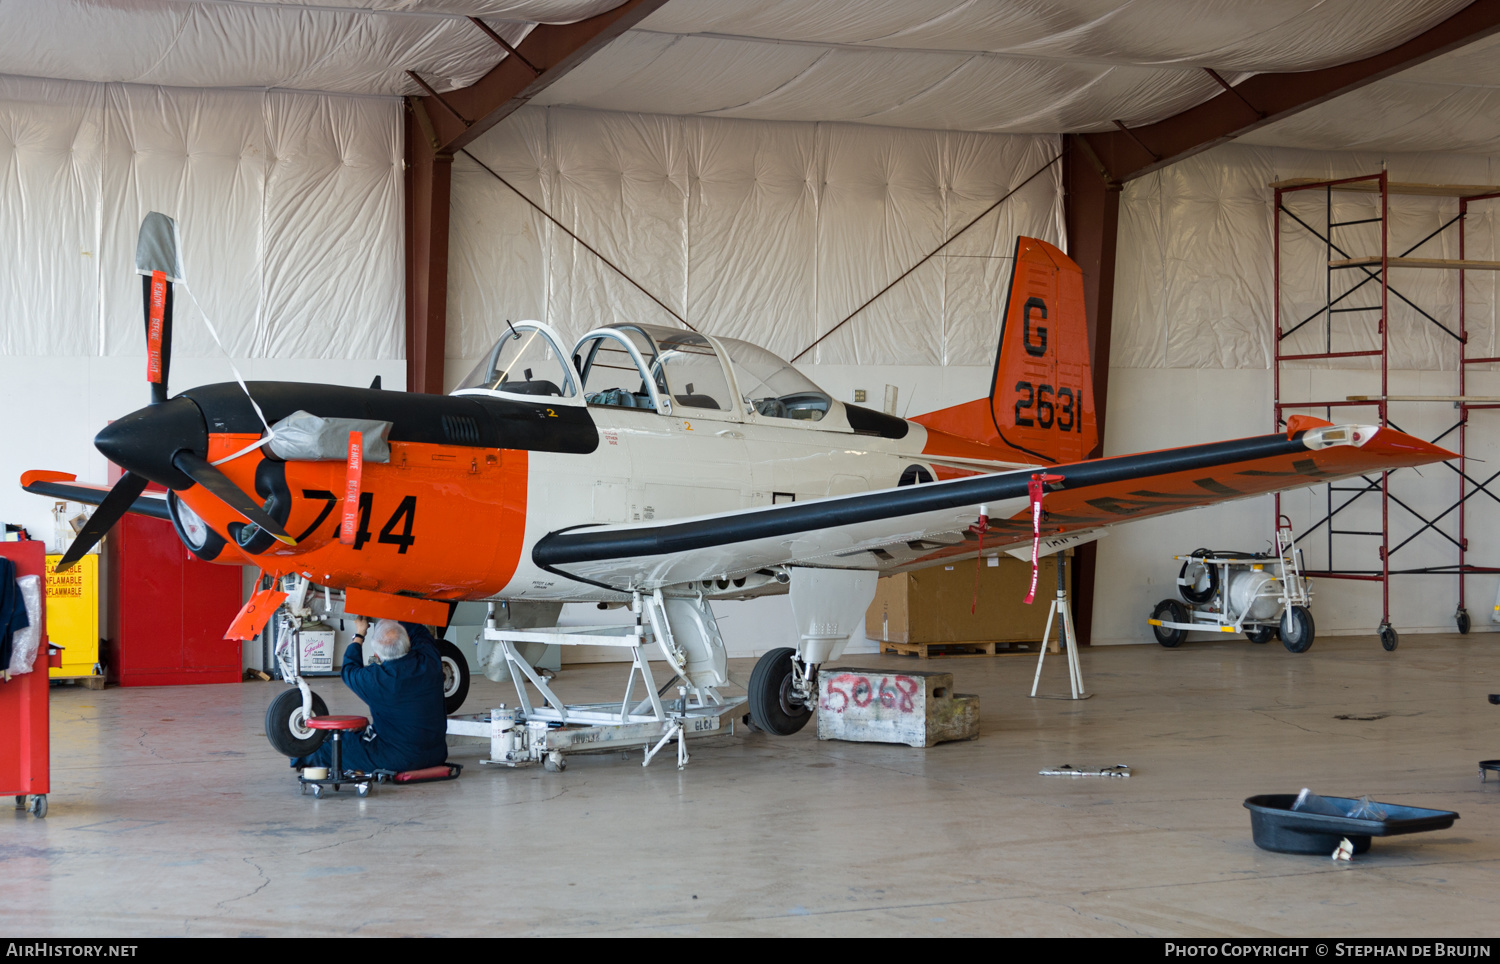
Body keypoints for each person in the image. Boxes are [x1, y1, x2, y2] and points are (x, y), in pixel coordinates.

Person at [291, 616, 447, 775]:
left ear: (377, 655)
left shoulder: (376, 680)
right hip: (437, 754)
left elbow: (348, 669)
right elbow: (416, 628)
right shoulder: (430, 661)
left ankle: (303, 758)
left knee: (323, 746)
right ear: (407, 639)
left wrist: (360, 633)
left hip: (398, 758)